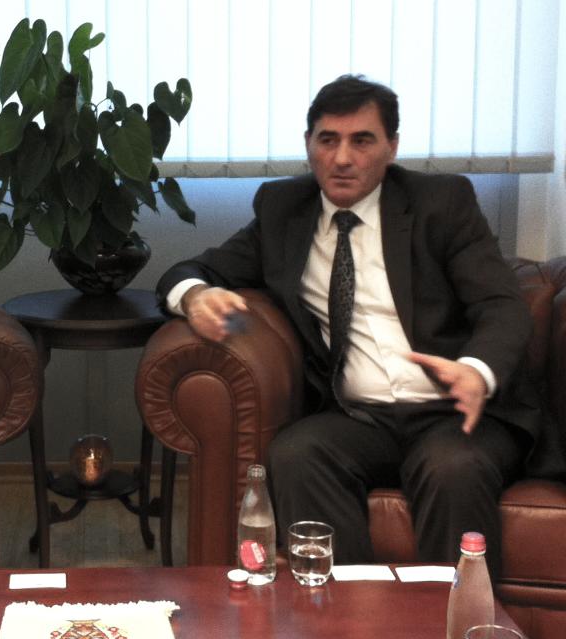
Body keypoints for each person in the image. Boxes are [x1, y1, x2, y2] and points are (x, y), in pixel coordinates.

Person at [157, 75, 543, 576]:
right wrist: (195, 296)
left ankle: (449, 619)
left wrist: (477, 369)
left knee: (451, 467)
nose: (342, 158)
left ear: (391, 147)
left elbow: (502, 304)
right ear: (308, 145)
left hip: (455, 414)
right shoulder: (283, 212)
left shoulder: (442, 203)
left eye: (362, 141)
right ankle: (346, 610)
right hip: (359, 418)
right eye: (328, 140)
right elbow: (189, 270)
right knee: (296, 454)